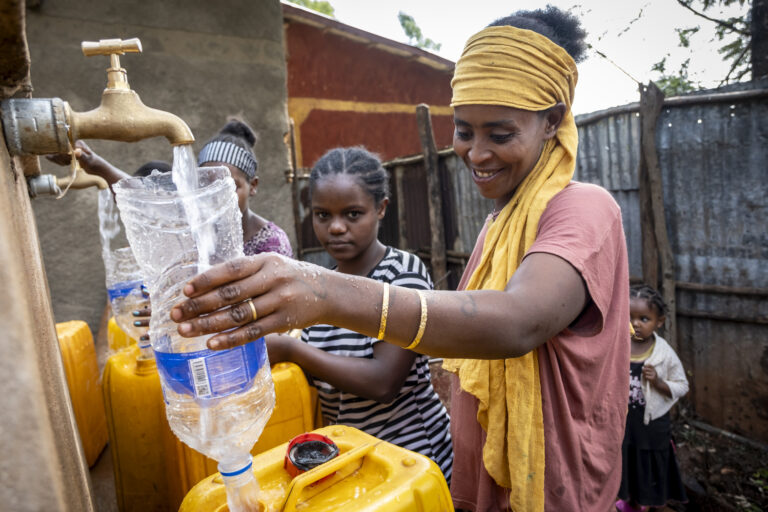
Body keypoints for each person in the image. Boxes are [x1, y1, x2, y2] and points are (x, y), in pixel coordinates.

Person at [169, 6, 631, 511]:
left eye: (499, 134)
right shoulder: (504, 222)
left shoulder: (584, 209)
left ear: (553, 122)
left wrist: (324, 294)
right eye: (463, 130)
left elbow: (517, 323)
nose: (476, 153)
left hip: (552, 486)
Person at [265, 146, 453, 480]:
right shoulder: (319, 283)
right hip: (353, 461)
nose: (336, 228)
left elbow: (384, 382)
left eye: (352, 214)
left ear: (380, 209)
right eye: (323, 215)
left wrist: (292, 349)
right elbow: (319, 377)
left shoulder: (401, 275)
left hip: (411, 458)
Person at [617, 284, 688, 512]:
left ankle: (645, 501)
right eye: (630, 317)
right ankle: (625, 498)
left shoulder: (664, 353)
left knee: (647, 465)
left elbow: (681, 386)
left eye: (644, 318)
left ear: (660, 321)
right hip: (623, 424)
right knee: (625, 460)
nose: (635, 323)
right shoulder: (618, 346)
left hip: (651, 426)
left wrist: (657, 382)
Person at [198, 118, 293, 258]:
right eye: (207, 186)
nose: (217, 197)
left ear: (253, 186)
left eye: (230, 187)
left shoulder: (272, 245)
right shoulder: (196, 235)